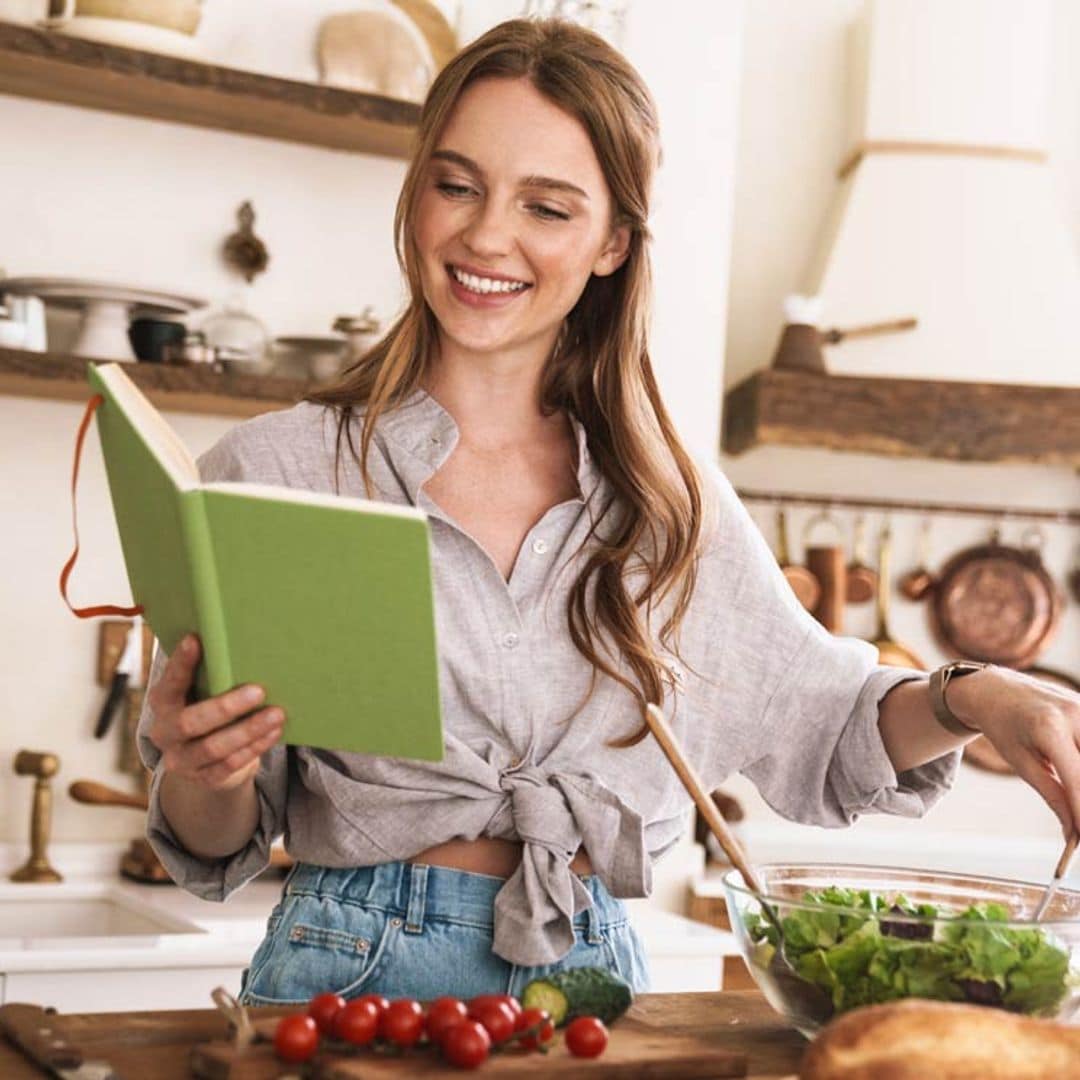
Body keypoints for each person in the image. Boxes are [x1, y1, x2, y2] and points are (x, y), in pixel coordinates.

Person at [138, 17, 1080, 1006]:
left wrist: (979, 697)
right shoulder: (273, 470)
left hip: (586, 980)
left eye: (546, 206)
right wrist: (206, 766)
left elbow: (829, 723)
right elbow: (212, 842)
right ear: (416, 193)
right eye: (456, 184)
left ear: (612, 244)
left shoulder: (669, 507)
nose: (485, 235)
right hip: (348, 970)